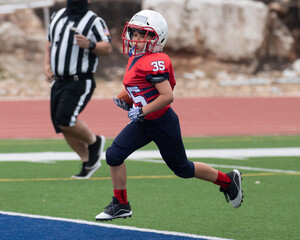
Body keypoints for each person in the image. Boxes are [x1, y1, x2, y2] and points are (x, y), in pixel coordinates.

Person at [95, 10, 244, 221]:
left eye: (141, 35)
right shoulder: (136, 58)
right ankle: (121, 204)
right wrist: (127, 98)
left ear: (156, 38)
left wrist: (141, 109)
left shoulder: (155, 61)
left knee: (183, 168)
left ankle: (228, 182)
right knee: (113, 155)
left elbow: (167, 96)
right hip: (143, 122)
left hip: (162, 123)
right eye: (134, 33)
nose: (135, 39)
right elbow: (141, 87)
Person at [43, 0, 112, 179]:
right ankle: (87, 160)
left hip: (79, 80)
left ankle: (94, 142)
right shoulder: (57, 16)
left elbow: (107, 47)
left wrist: (90, 44)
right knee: (61, 125)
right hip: (59, 81)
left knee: (65, 119)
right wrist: (46, 64)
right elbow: (50, 42)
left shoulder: (94, 21)